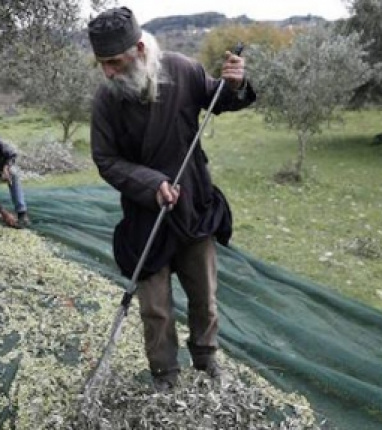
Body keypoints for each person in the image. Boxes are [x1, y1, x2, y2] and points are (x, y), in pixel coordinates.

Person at [86, 7, 256, 391]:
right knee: (155, 308)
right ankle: (164, 373)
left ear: (141, 49)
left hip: (193, 204)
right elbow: (105, 159)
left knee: (204, 296)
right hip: (145, 214)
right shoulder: (106, 100)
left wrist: (233, 84)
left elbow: (218, 99)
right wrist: (152, 184)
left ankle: (206, 357)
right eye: (102, 64)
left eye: (114, 62)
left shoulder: (183, 70)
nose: (108, 72)